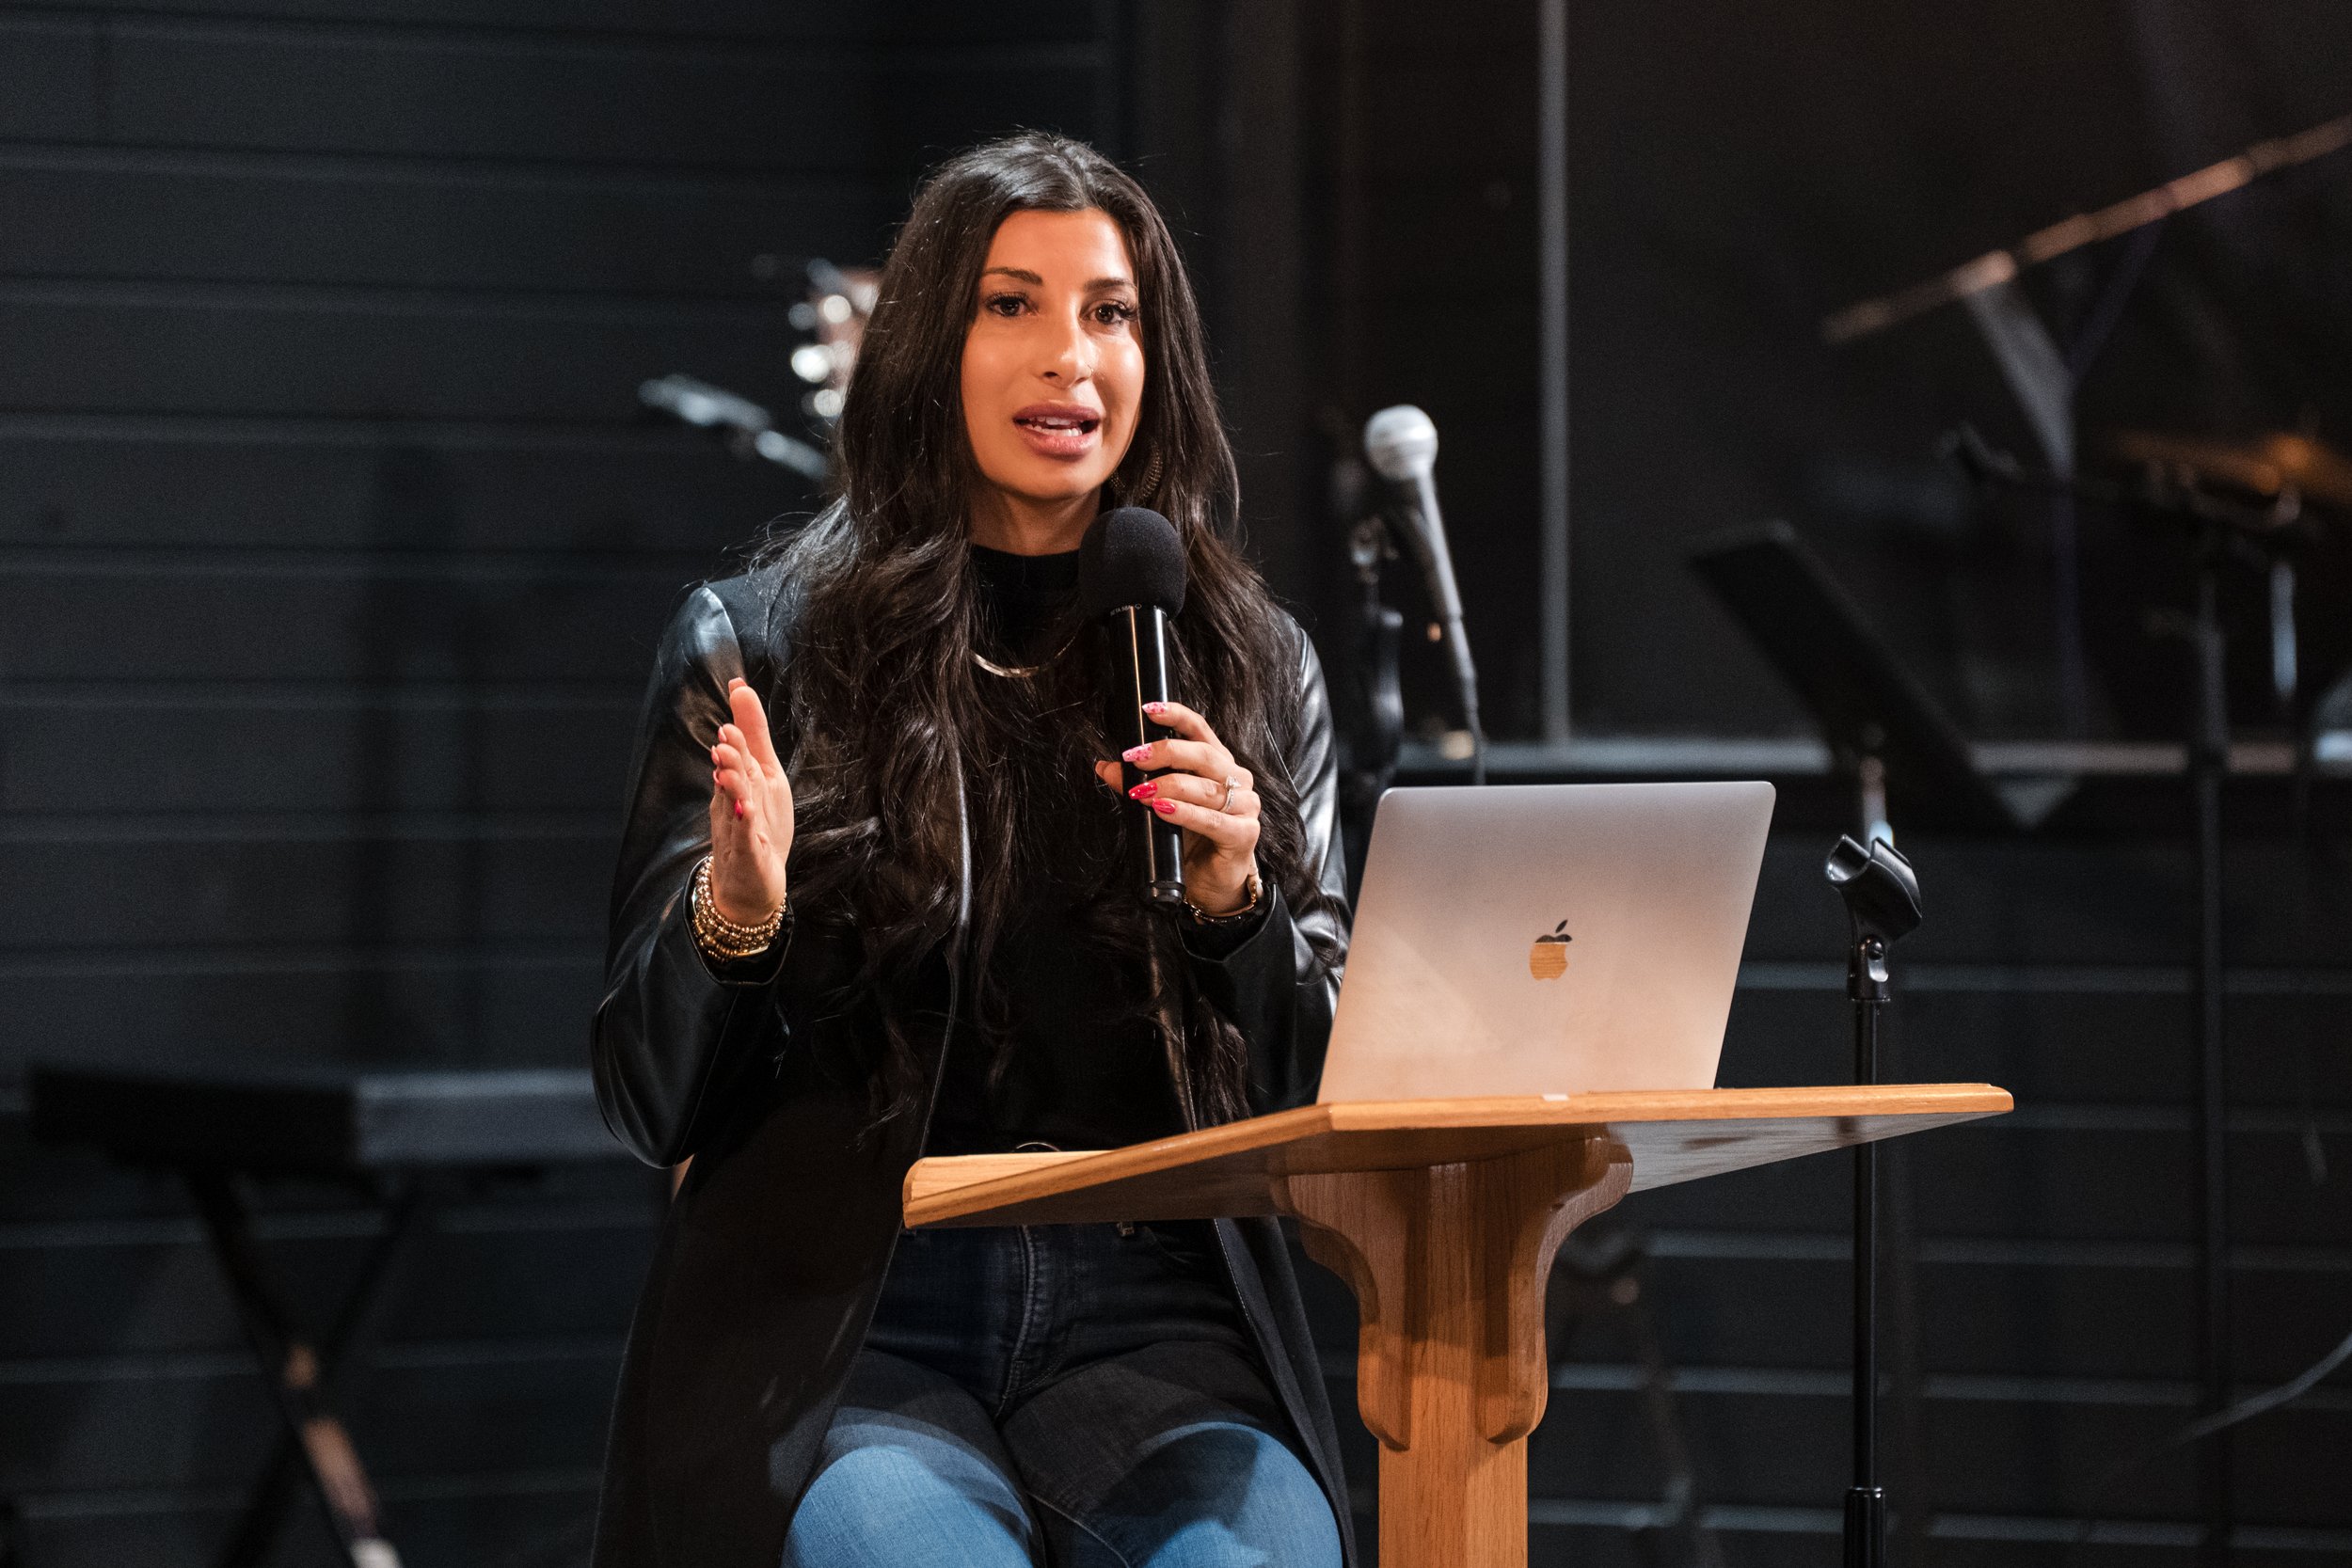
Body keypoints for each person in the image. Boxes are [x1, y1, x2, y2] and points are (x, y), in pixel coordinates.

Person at [589, 133, 1355, 1568]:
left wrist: (1236, 908)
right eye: (1013, 306)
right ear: (933, 344)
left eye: (1109, 313)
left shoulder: (1247, 664)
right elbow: (643, 1097)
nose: (1069, 357)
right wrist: (735, 919)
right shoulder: (763, 644)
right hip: (855, 1315)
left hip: (1157, 1312)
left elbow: (1329, 1096)